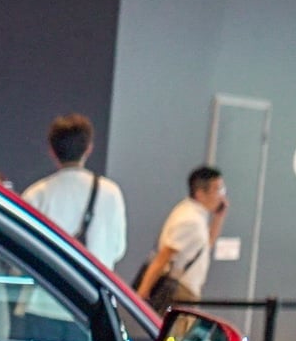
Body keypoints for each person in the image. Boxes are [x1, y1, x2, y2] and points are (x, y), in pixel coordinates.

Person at [20, 112, 126, 267]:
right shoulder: (111, 192)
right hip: (95, 280)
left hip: (48, 279)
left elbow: (24, 248)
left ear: (51, 151)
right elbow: (118, 250)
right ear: (89, 148)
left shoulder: (35, 194)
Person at [135, 165, 225, 312]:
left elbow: (206, 246)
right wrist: (142, 292)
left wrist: (218, 218)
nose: (221, 196)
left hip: (186, 289)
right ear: (200, 193)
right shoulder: (190, 219)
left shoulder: (195, 214)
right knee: (175, 327)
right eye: (218, 190)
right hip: (180, 291)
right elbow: (165, 254)